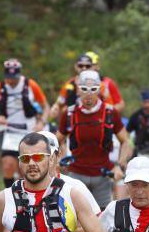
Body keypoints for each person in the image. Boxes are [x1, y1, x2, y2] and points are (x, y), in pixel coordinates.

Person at [56, 69, 132, 211]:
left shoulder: (109, 112)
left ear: (99, 90)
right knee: (76, 216)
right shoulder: (69, 113)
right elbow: (56, 140)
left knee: (102, 219)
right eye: (84, 89)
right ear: (78, 90)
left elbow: (125, 141)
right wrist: (61, 159)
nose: (89, 94)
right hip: (76, 174)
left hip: (102, 175)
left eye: (93, 89)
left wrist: (120, 165)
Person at [0, 58, 50, 188]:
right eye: (9, 77)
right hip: (8, 131)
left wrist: (41, 123)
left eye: (14, 78)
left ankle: (27, 195)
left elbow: (46, 107)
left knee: (25, 168)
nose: (11, 81)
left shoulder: (30, 85)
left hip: (28, 130)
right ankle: (9, 193)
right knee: (8, 164)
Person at [53, 51, 124, 120]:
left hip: (96, 121)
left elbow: (112, 106)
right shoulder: (69, 84)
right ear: (76, 66)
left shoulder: (102, 85)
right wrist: (56, 108)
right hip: (74, 123)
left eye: (87, 66)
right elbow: (59, 104)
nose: (84, 68)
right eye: (80, 65)